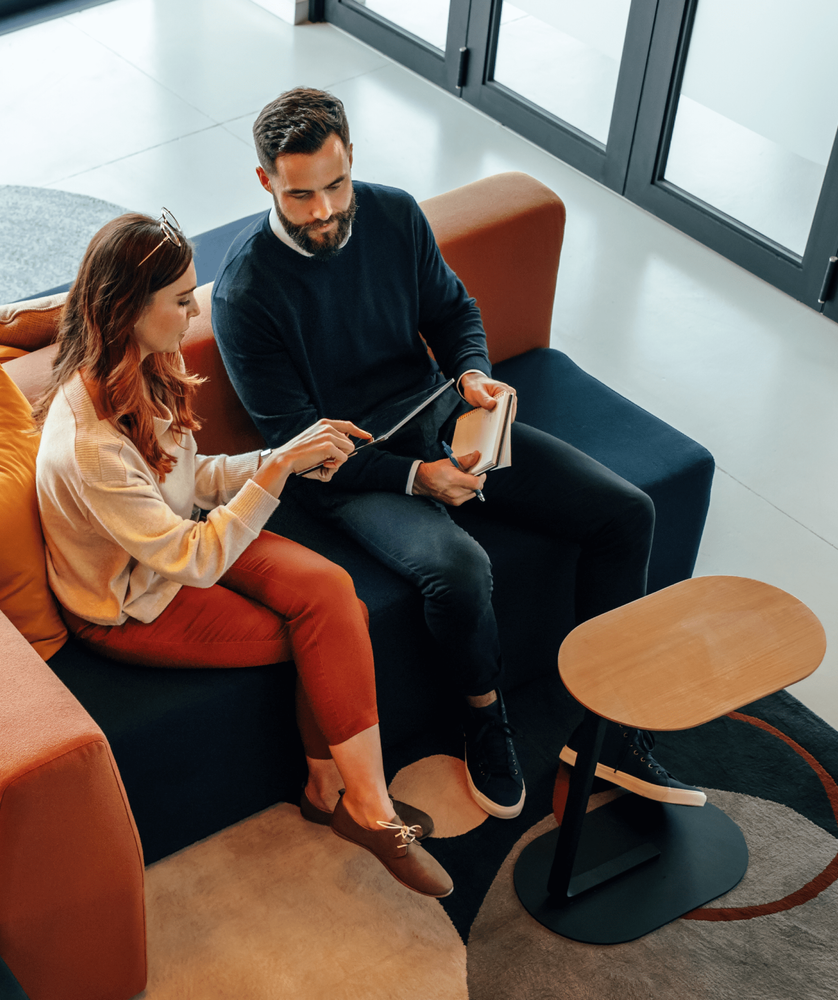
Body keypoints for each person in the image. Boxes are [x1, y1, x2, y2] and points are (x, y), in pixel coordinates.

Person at [212, 87, 706, 818]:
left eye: (336, 184)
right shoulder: (245, 293)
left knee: (625, 513)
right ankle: (482, 717)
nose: (323, 211)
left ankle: (610, 729)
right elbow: (301, 447)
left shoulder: (394, 214)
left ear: (353, 160)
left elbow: (452, 309)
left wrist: (472, 369)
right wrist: (417, 478)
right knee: (458, 569)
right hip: (348, 471)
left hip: (440, 414)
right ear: (265, 184)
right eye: (301, 195)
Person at [33, 210, 454, 898]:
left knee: (332, 593)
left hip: (182, 537)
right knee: (318, 632)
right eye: (178, 300)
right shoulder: (90, 445)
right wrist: (275, 474)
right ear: (128, 309)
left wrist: (282, 455)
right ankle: (368, 811)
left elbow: (190, 480)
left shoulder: (146, 362)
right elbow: (193, 560)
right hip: (128, 603)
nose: (193, 310)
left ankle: (334, 793)